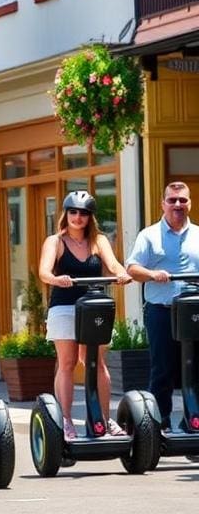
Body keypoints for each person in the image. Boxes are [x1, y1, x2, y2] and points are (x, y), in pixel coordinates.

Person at [38, 190, 132, 440]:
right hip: (64, 307)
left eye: (83, 213)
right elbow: (44, 273)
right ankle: (66, 421)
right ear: (66, 214)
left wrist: (121, 273)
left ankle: (104, 419)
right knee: (67, 362)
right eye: (73, 212)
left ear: (90, 217)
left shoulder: (98, 240)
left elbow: (113, 264)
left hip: (93, 307)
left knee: (96, 363)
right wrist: (57, 279)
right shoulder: (55, 241)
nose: (78, 217)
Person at [126, 181, 199, 431]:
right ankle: (159, 424)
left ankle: (193, 421)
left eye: (182, 200)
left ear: (190, 203)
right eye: (172, 200)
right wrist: (152, 273)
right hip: (161, 311)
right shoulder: (149, 235)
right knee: (163, 369)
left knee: (195, 368)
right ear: (163, 204)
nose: (177, 205)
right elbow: (132, 269)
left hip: (193, 312)